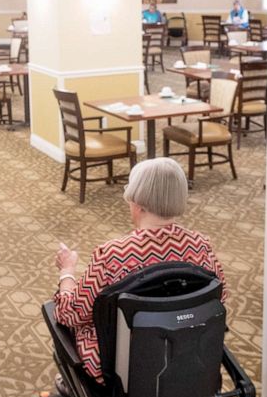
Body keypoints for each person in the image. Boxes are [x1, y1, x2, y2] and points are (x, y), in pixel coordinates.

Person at [52, 158, 228, 383]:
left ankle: (70, 385)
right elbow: (218, 299)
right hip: (185, 356)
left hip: (123, 368)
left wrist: (67, 272)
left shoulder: (112, 254)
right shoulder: (200, 246)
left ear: (138, 203)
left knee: (61, 317)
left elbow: (71, 314)